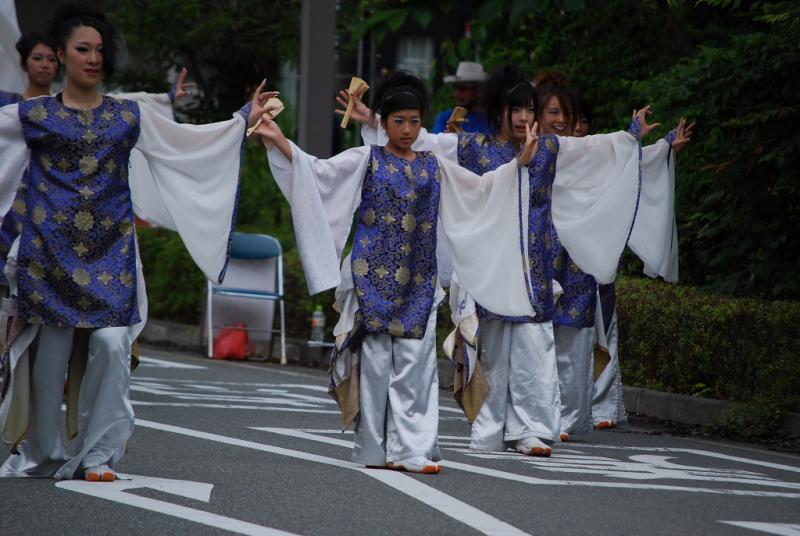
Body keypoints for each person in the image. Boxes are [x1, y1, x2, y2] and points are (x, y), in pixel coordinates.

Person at [0, 3, 276, 481]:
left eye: (100, 50)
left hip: (112, 254)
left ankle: (99, 455)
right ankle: (42, 454)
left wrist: (239, 119)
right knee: (50, 362)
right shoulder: (32, 114)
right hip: (48, 256)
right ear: (62, 55)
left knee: (111, 346)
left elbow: (187, 143)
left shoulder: (128, 115)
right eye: (82, 49)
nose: (93, 58)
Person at [335, 64, 659, 457]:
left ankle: (531, 429)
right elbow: (422, 144)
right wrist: (375, 118)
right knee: (490, 349)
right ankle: (488, 429)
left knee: (533, 344)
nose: (524, 118)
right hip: (488, 263)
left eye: (529, 110)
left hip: (534, 265)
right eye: (515, 110)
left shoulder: (551, 149)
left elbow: (595, 151)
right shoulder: (473, 147)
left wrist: (630, 137)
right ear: (500, 112)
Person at [431, 61, 490, 134]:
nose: (457, 93)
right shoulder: (445, 118)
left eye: (463, 88)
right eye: (455, 87)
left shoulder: (489, 121)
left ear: (479, 91)